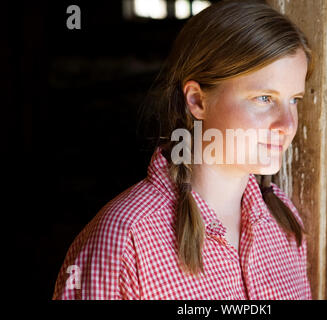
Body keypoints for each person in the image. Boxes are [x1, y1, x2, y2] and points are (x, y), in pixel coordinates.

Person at [53, 0, 312, 300]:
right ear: (197, 101)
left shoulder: (282, 221)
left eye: (295, 99)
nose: (287, 123)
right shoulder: (127, 238)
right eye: (264, 98)